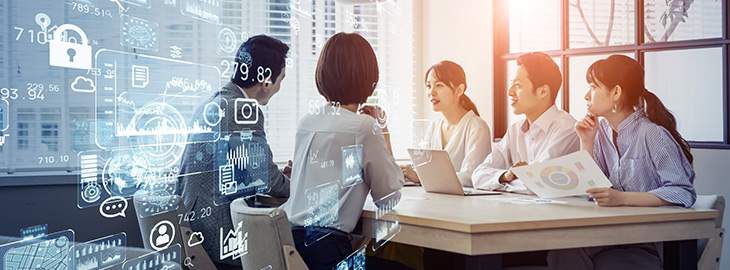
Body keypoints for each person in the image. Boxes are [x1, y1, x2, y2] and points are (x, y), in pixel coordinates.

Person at [548, 55, 696, 270]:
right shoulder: (601, 133)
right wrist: (586, 142)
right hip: (609, 235)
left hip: (647, 243)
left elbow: (682, 191)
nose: (586, 95)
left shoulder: (652, 134)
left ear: (616, 92)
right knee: (561, 251)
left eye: (593, 87)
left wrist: (623, 198)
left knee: (607, 263)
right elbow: (589, 190)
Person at [281, 32, 404, 270]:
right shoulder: (364, 127)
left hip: (293, 248)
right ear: (369, 78)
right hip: (331, 255)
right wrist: (383, 133)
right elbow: (389, 197)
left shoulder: (307, 122)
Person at [177, 35, 291, 269]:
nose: (280, 87)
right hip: (217, 239)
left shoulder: (214, 103)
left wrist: (280, 176)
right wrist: (298, 184)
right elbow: (267, 181)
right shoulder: (241, 109)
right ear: (266, 80)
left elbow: (244, 171)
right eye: (281, 79)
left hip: (192, 233)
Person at [472, 52, 579, 193]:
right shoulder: (515, 130)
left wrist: (505, 183)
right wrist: (506, 176)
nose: (510, 92)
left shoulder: (566, 128)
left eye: (517, 85)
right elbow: (478, 175)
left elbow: (537, 184)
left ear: (543, 92)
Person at [401, 60, 492, 187]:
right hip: (435, 200)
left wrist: (421, 178)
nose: (431, 92)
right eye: (428, 86)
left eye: (439, 85)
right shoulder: (434, 127)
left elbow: (471, 177)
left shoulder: (477, 128)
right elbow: (424, 168)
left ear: (459, 90)